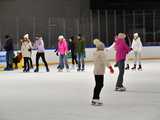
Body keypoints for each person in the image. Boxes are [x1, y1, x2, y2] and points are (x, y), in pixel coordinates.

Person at [91, 39, 114, 106]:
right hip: (100, 71)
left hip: (96, 71)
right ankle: (95, 99)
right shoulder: (101, 53)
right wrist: (110, 68)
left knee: (98, 85)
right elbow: (105, 61)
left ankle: (95, 99)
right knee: (99, 85)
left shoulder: (95, 52)